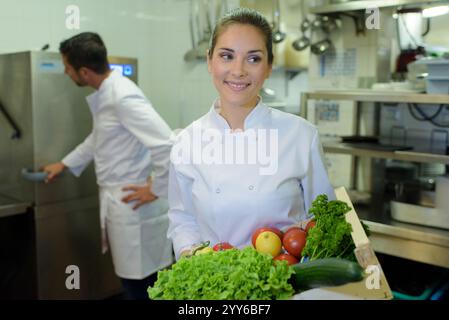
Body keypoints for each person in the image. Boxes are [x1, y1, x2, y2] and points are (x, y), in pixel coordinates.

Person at [167, 8, 335, 259]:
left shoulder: (301, 136)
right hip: (216, 285)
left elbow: (323, 221)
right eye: (226, 56)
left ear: (269, 66)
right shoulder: (186, 142)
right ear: (209, 61)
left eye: (253, 59)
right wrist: (191, 255)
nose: (238, 70)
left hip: (287, 286)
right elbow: (182, 219)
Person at [43, 32, 174, 299]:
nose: (67, 73)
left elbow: (166, 144)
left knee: (143, 286)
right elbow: (99, 138)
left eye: (68, 68)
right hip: (122, 204)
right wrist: (64, 164)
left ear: (84, 72)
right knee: (134, 281)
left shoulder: (122, 96)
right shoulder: (107, 93)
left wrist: (156, 189)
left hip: (135, 205)